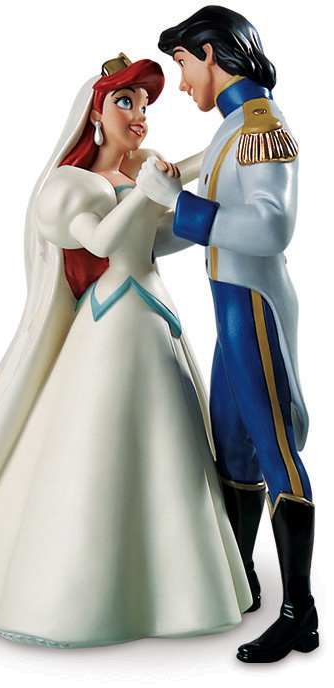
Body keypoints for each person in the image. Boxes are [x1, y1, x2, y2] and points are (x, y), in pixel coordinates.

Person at [0, 54, 251, 648]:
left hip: (154, 316)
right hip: (108, 320)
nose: (139, 114)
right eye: (125, 101)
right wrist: (150, 192)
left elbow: (160, 235)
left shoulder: (145, 170)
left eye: (145, 104)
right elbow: (101, 242)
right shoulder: (69, 187)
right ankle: (71, 592)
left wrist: (222, 151)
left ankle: (181, 586)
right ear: (95, 114)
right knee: (90, 444)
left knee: (169, 445)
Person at [136, 6, 318, 663]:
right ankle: (241, 580)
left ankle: (300, 613)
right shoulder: (232, 130)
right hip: (229, 309)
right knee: (234, 452)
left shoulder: (263, 127)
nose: (183, 82)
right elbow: (215, 217)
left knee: (274, 451)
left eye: (184, 64)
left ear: (211, 54)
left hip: (255, 308)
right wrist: (144, 232)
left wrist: (175, 202)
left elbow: (270, 227)